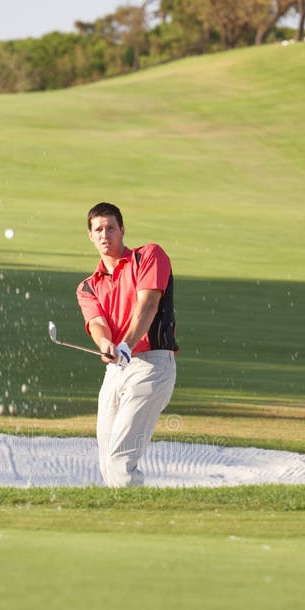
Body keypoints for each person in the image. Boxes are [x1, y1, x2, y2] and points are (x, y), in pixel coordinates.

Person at [76, 202, 178, 487]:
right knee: (107, 458)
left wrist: (126, 346)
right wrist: (106, 342)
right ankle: (118, 521)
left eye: (111, 228)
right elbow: (97, 323)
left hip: (152, 366)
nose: (104, 234)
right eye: (98, 229)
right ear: (90, 235)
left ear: (122, 230)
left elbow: (148, 306)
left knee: (121, 458)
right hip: (116, 369)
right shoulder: (87, 286)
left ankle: (136, 522)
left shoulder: (149, 256)